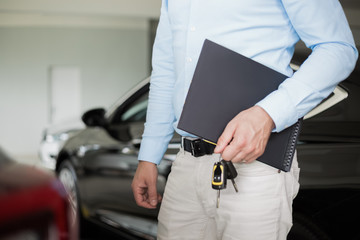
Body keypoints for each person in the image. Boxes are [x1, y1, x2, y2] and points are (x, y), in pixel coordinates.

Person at [132, 0, 358, 239]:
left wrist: (267, 114)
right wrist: (149, 156)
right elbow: (166, 72)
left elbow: (338, 49)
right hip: (186, 165)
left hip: (256, 166)